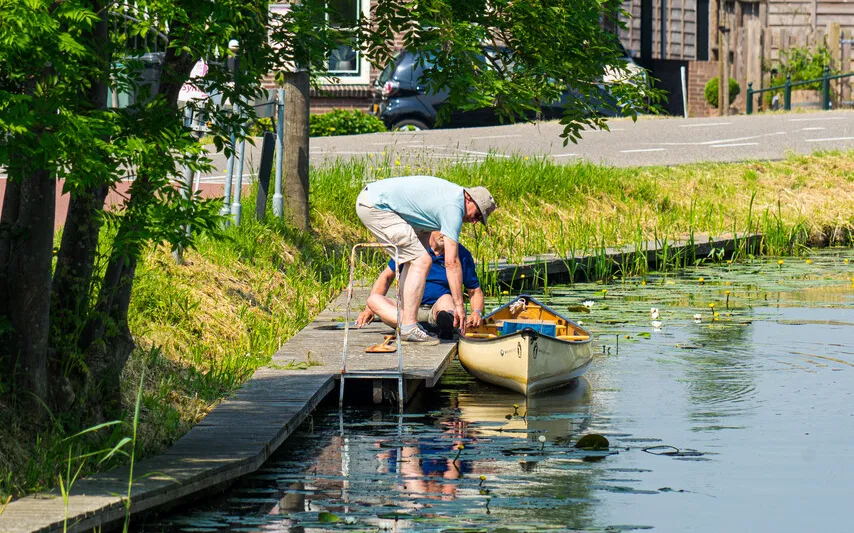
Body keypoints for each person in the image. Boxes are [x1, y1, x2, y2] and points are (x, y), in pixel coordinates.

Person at [355, 176, 496, 344]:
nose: (473, 221)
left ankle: (411, 322)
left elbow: (473, 288)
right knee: (423, 260)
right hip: (375, 205)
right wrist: (460, 306)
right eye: (477, 215)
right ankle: (409, 326)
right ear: (469, 198)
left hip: (373, 200)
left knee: (415, 259)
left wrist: (474, 311)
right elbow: (452, 263)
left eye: (478, 220)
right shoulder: (453, 207)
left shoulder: (447, 199)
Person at [355, 231, 485, 339]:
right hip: (406, 310)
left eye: (448, 228)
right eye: (441, 228)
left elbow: (474, 290)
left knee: (447, 299)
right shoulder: (412, 247)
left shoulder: (462, 254)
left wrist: (476, 312)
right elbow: (387, 277)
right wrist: (368, 310)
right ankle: (416, 326)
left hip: (436, 310)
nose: (445, 233)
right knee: (373, 300)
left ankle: (443, 325)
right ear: (431, 228)